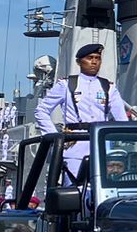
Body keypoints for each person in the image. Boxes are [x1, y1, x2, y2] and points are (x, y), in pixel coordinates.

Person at [34, 43, 130, 181]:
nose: (94, 62)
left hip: (101, 145)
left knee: (101, 190)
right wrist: (54, 137)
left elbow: (121, 120)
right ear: (79, 61)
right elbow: (41, 110)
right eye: (90, 58)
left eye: (97, 58)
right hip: (75, 146)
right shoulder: (66, 85)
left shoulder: (108, 87)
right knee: (74, 190)